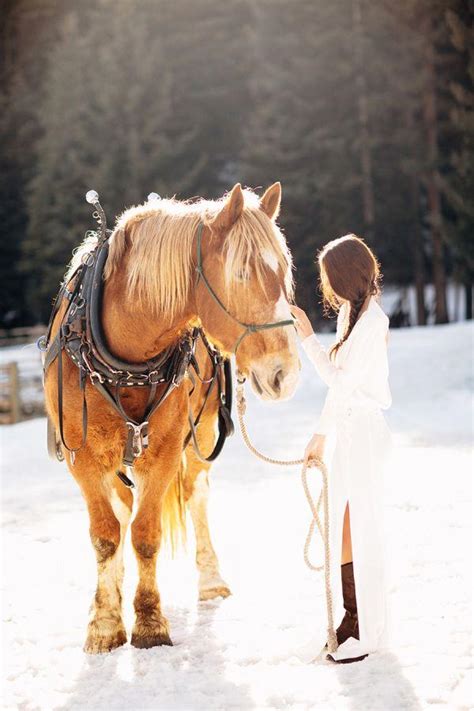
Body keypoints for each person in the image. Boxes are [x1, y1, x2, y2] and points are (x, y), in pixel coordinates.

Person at [291, 233, 393, 664]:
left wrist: (308, 340)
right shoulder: (352, 314)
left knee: (362, 528)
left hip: (366, 437)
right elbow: (339, 391)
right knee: (344, 529)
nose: (326, 287)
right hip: (347, 435)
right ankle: (352, 619)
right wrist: (320, 435)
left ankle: (367, 629)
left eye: (329, 278)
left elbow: (343, 381)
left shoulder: (374, 323)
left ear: (346, 275)